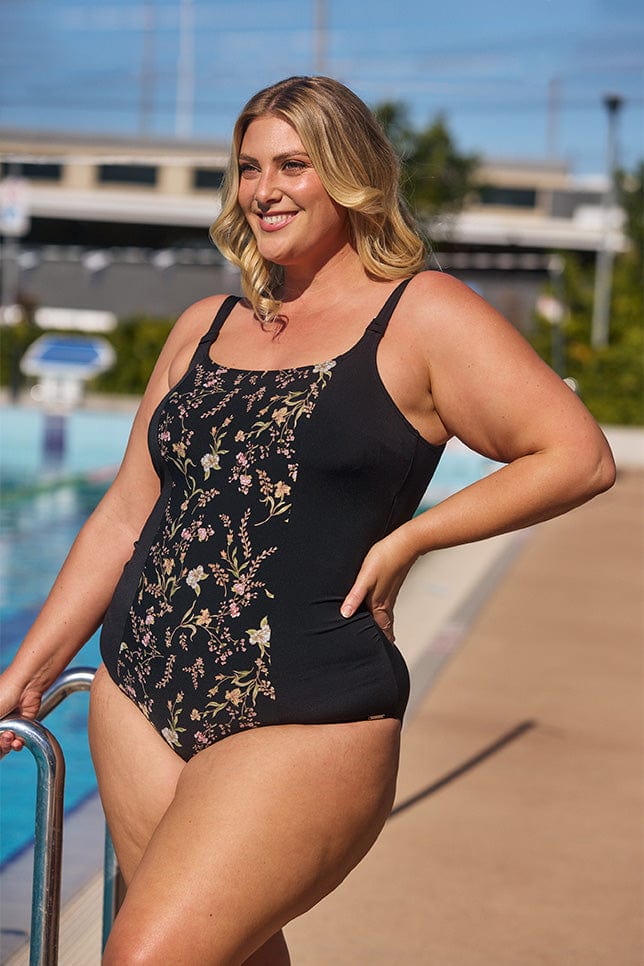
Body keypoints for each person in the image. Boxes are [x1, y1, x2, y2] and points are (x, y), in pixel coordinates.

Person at [0, 76, 615, 965]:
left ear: (351, 175)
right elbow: (125, 515)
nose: (264, 189)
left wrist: (413, 537)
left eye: (293, 165)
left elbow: (575, 454)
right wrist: (26, 671)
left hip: (305, 712)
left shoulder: (422, 313)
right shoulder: (204, 325)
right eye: (249, 167)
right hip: (137, 696)